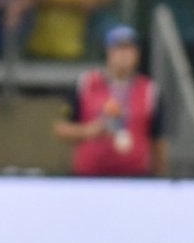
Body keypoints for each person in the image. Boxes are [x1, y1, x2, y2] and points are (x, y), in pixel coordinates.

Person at [54, 24, 168, 177]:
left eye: (129, 49)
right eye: (118, 49)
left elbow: (158, 141)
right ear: (108, 52)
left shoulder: (150, 91)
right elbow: (61, 128)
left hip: (135, 179)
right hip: (89, 177)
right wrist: (88, 131)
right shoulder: (85, 84)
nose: (124, 55)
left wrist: (160, 179)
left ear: (137, 54)